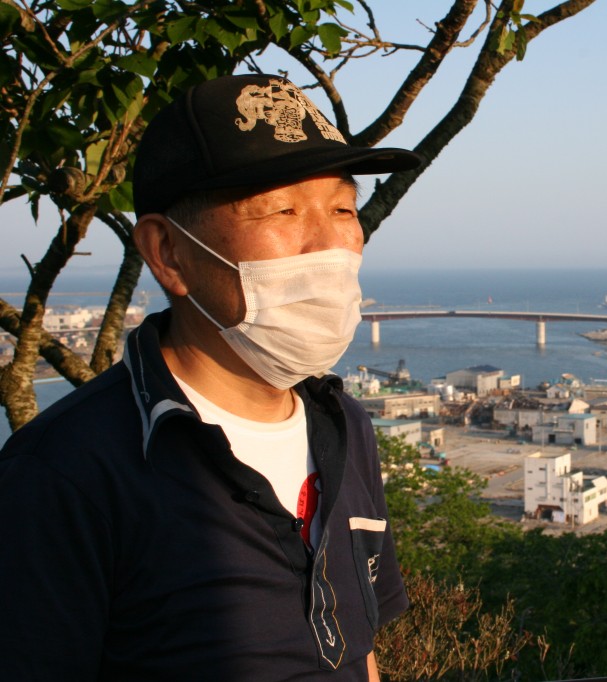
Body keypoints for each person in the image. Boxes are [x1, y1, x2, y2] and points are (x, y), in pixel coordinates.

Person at [0, 74, 423, 681]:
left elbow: (358, 655)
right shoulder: (64, 476)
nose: (330, 245)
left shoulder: (346, 428)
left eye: (342, 208)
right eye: (282, 209)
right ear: (169, 252)